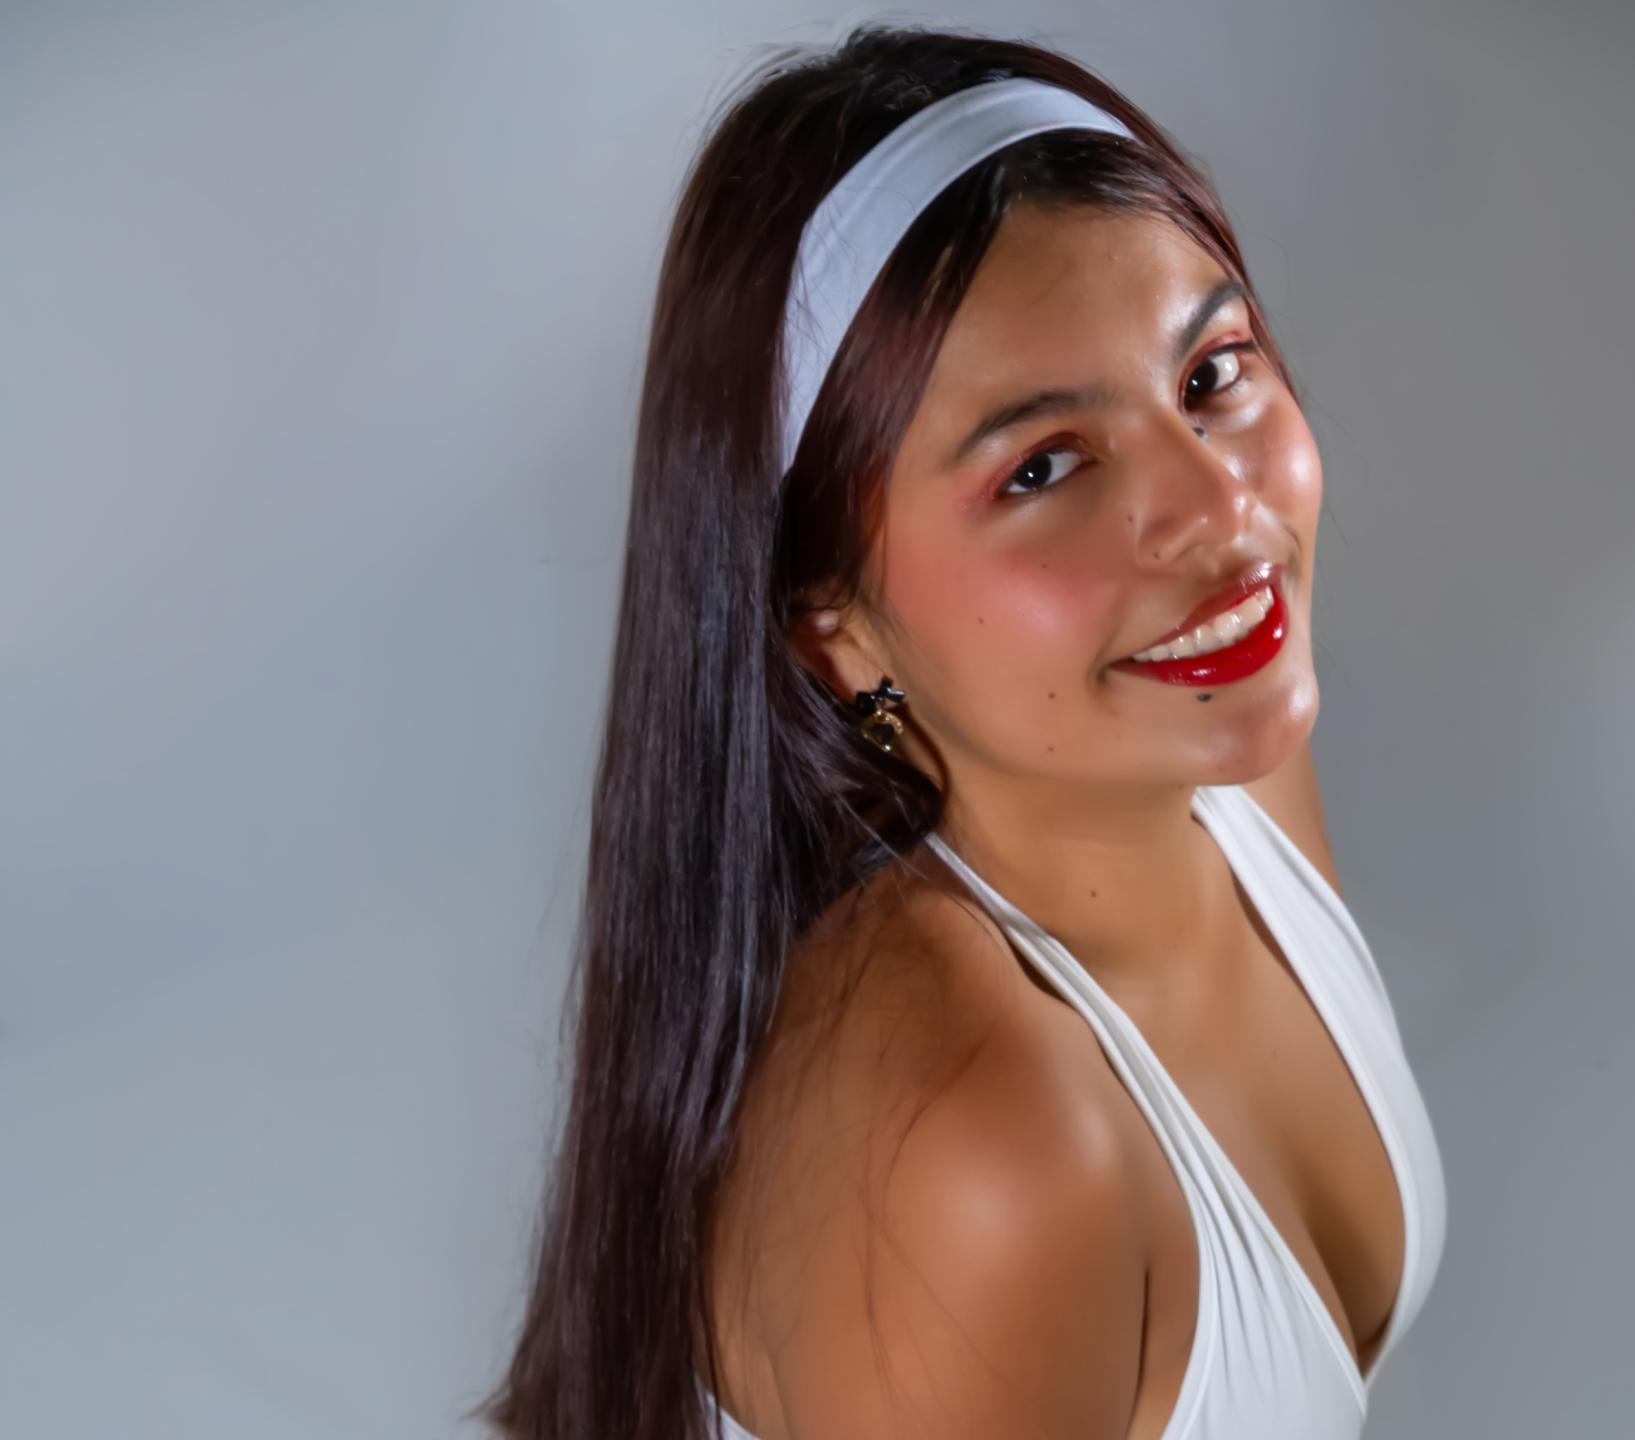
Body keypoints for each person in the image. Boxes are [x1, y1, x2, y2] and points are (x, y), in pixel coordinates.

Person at [473, 22, 1446, 1440]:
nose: (1223, 513)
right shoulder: (979, 1147)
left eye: (1210, 376)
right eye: (1043, 468)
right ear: (834, 630)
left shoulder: (1219, 754)